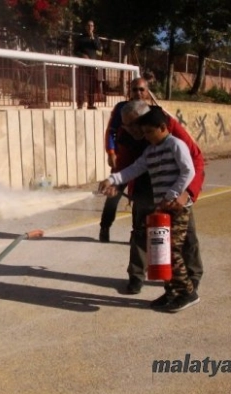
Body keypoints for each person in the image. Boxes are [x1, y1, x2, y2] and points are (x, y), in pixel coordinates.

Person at [98, 106, 200, 313]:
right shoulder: (150, 151)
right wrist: (112, 179)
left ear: (162, 127)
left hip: (177, 209)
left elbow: (189, 170)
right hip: (162, 210)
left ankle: (187, 292)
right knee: (161, 251)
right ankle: (171, 292)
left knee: (172, 251)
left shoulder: (175, 145)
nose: (145, 136)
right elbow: (133, 169)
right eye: (143, 133)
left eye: (148, 132)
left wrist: (173, 194)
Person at [99, 77, 154, 242]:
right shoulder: (122, 108)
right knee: (113, 195)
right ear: (129, 92)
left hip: (144, 162)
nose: (138, 93)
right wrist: (111, 152)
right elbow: (112, 130)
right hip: (124, 159)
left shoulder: (152, 111)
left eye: (141, 89)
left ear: (147, 92)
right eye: (134, 89)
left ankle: (136, 232)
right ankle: (105, 226)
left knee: (140, 199)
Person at [73, 20, 101, 110]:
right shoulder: (81, 38)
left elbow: (98, 48)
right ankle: (80, 104)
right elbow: (75, 51)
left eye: (92, 26)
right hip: (83, 64)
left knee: (92, 85)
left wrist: (92, 38)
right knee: (81, 84)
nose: (90, 27)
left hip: (92, 65)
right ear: (86, 27)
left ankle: (91, 104)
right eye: (88, 25)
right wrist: (82, 55)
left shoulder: (96, 38)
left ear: (93, 27)